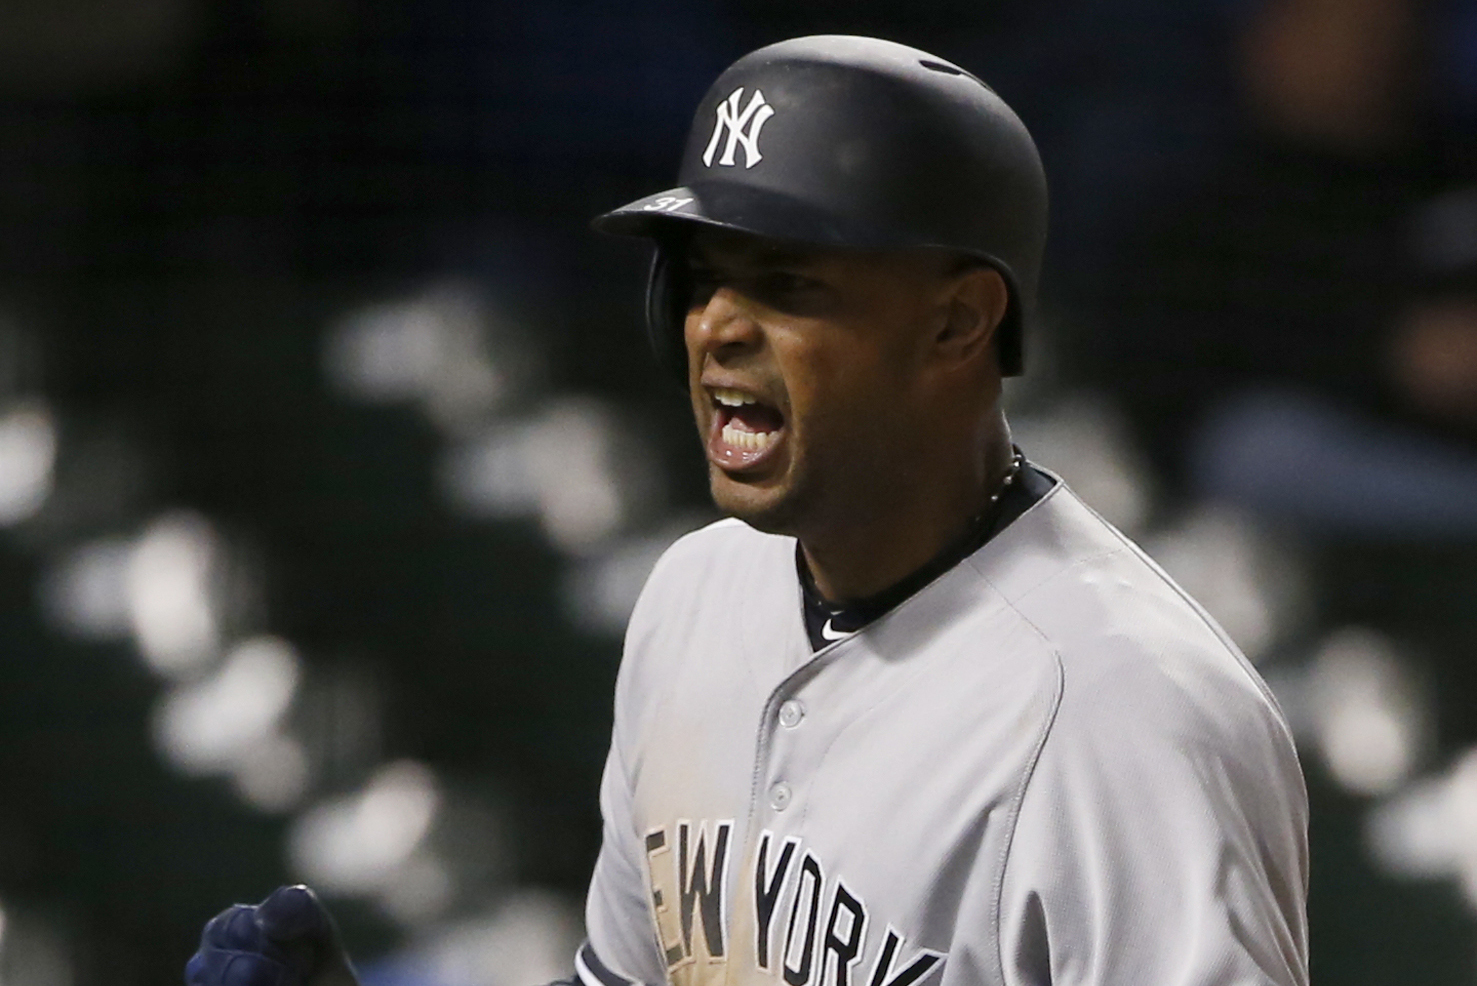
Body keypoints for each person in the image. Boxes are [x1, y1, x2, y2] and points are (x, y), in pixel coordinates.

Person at [187, 35, 1309, 986]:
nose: (715, 326)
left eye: (787, 283)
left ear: (959, 324)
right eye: (702, 276)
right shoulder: (694, 593)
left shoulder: (1126, 714)